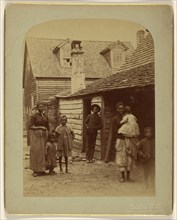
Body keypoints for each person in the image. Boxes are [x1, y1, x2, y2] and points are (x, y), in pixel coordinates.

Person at [28, 102, 49, 177]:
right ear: (37, 108)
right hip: (36, 135)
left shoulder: (45, 116)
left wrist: (48, 134)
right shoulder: (33, 116)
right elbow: (30, 126)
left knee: (43, 152)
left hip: (44, 135)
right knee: (36, 151)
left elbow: (47, 126)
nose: (41, 108)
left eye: (42, 107)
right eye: (40, 107)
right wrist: (40, 127)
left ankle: (42, 169)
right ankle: (35, 170)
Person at [118, 105, 140, 175]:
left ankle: (127, 174)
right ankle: (127, 174)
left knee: (122, 130)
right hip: (133, 131)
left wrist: (121, 122)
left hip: (128, 133)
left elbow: (123, 121)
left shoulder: (126, 116)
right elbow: (136, 120)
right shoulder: (133, 116)